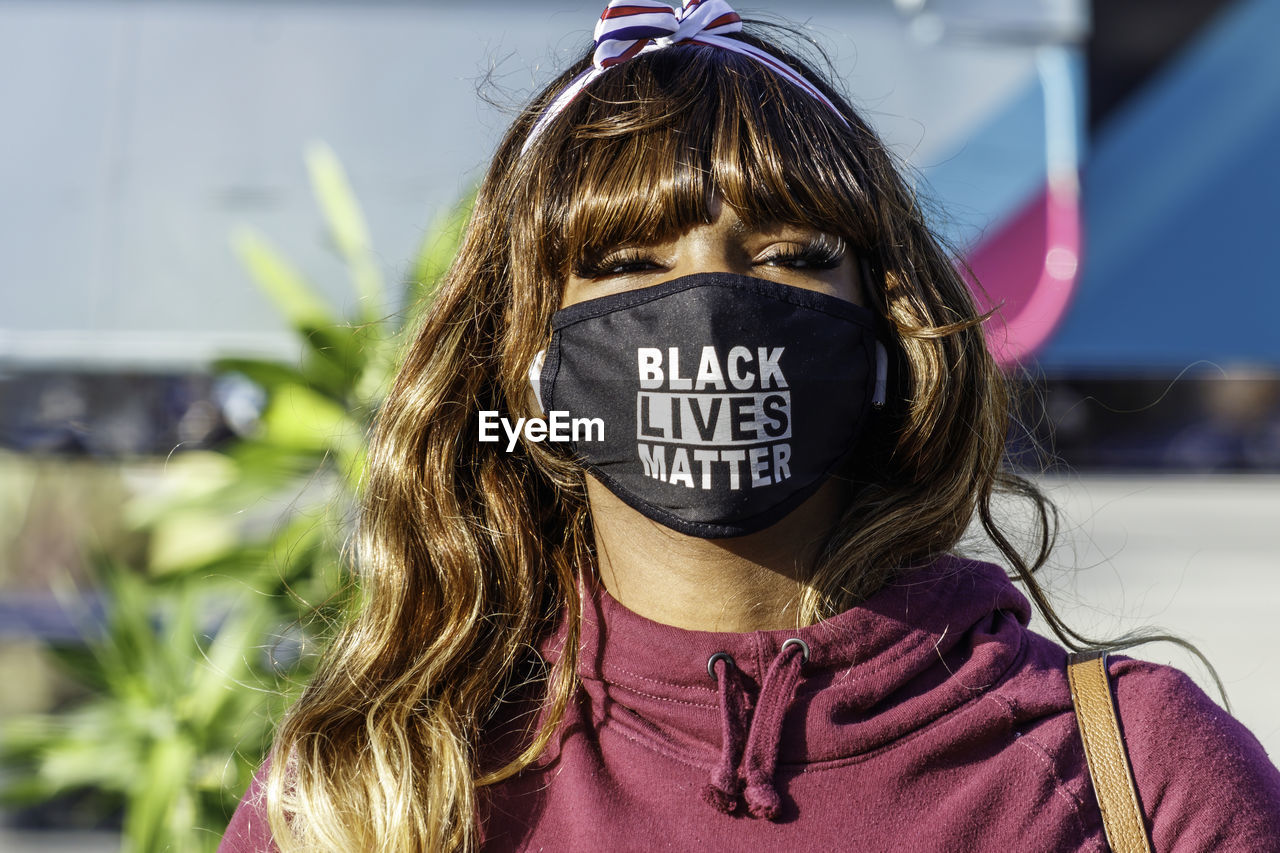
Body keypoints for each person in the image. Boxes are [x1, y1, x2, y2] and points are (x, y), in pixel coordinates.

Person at [219, 1, 1280, 850]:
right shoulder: (373, 797)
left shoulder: (1136, 775)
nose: (711, 307)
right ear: (527, 370)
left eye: (789, 255)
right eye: (629, 265)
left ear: (884, 331)